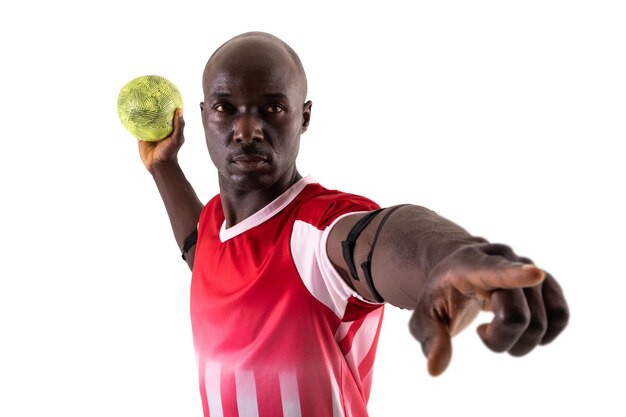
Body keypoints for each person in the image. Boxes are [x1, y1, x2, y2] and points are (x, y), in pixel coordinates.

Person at [137, 31, 569, 417]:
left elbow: (375, 242)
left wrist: (448, 258)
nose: (247, 128)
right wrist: (164, 168)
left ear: (303, 117)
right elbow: (205, 251)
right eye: (225, 108)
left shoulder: (317, 228)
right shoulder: (216, 223)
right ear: (201, 116)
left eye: (272, 107)